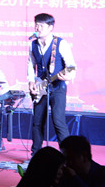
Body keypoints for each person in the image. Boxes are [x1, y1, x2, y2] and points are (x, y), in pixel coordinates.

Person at [28, 13, 76, 155]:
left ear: (50, 27)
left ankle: (68, 156)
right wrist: (31, 81)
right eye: (36, 25)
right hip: (40, 87)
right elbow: (30, 64)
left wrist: (67, 76)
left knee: (58, 121)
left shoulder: (60, 43)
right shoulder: (33, 44)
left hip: (58, 87)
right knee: (37, 122)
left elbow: (71, 66)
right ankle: (35, 154)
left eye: (41, 25)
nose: (38, 28)